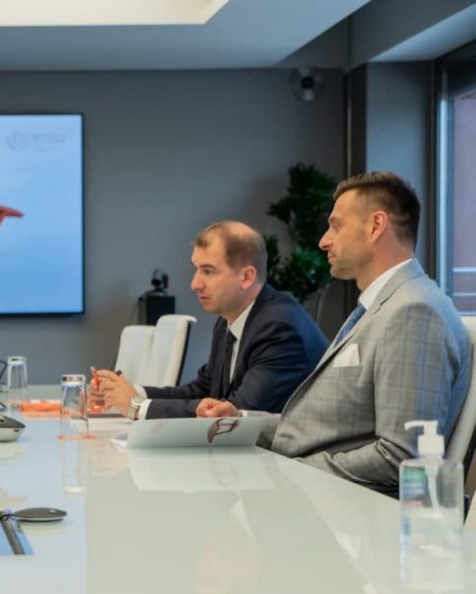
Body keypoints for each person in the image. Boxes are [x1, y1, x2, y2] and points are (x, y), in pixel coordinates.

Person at [199, 172, 472, 494]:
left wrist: (287, 472)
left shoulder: (413, 311)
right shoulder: (379, 307)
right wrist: (242, 420)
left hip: (354, 512)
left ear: (376, 226)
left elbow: (401, 457)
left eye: (336, 225)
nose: (324, 241)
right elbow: (322, 428)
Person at [93, 221, 328, 419]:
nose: (195, 284)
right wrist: (130, 393)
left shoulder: (280, 327)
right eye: (196, 269)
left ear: (246, 277)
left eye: (208, 271)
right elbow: (203, 390)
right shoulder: (229, 320)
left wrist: (136, 406)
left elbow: (232, 416)